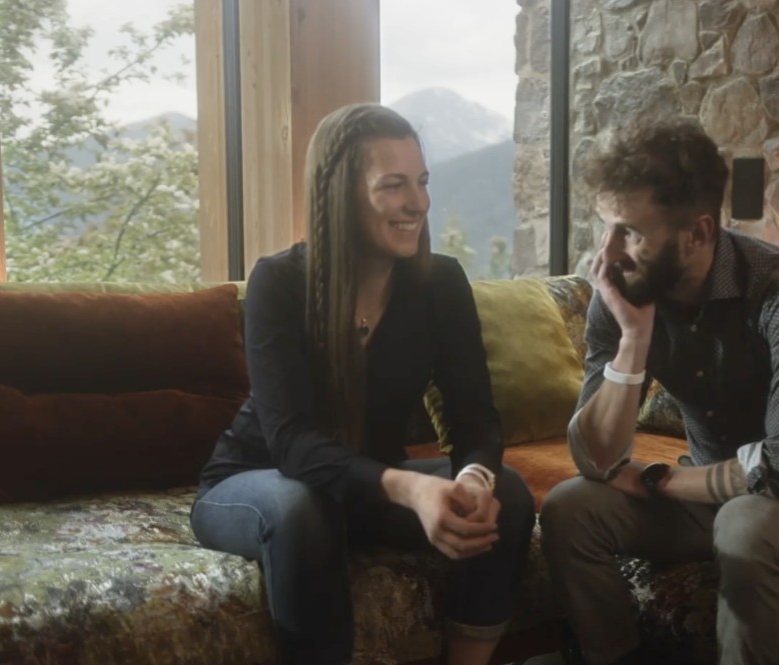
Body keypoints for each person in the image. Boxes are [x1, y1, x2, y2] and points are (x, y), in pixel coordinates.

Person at [190, 103, 535, 665]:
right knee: (303, 507)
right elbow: (292, 444)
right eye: (393, 186)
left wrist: (471, 476)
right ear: (341, 194)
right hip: (258, 481)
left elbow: (475, 415)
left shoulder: (441, 283)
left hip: (365, 488)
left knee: (509, 493)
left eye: (421, 182)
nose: (418, 203)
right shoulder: (279, 282)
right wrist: (413, 488)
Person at [539, 120, 779, 665]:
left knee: (744, 524)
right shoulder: (623, 288)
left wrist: (658, 478)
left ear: (697, 233)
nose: (608, 254)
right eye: (605, 228)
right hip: (708, 496)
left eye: (630, 232)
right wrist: (633, 341)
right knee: (569, 508)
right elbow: (594, 460)